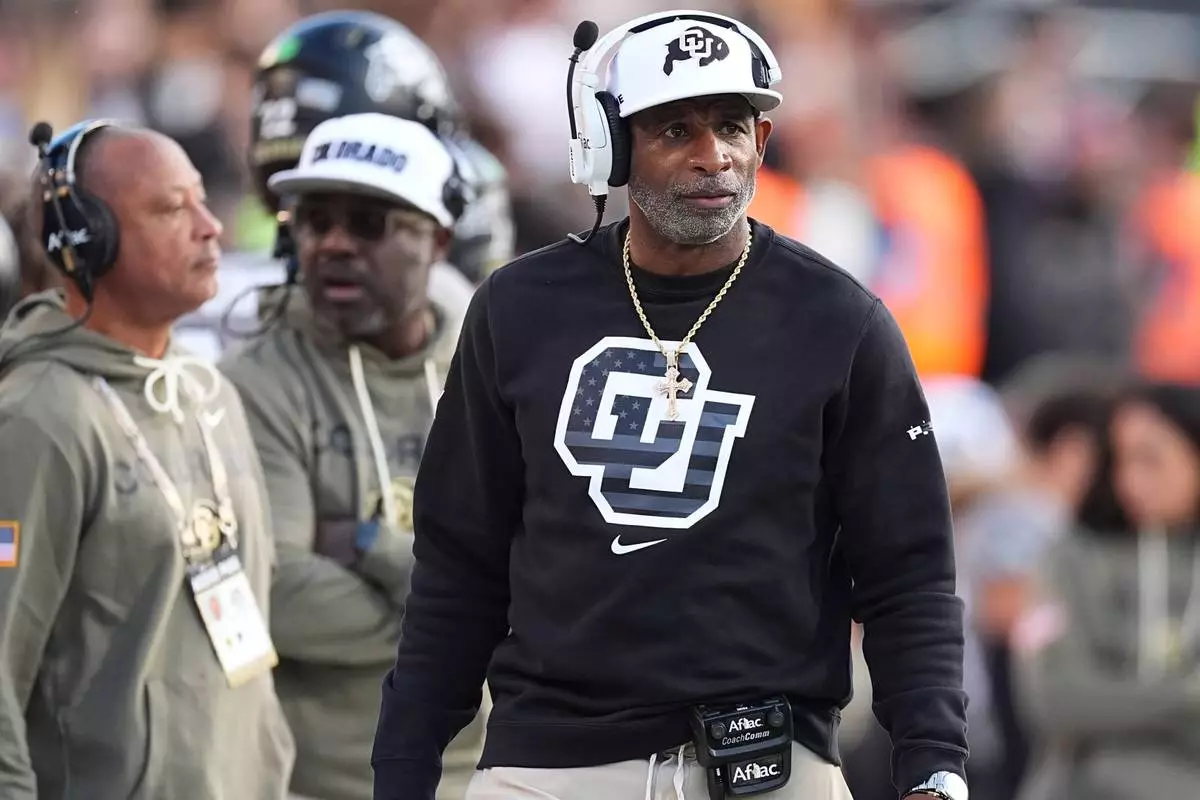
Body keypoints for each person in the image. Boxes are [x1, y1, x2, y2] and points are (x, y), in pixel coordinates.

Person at [372, 11, 968, 800]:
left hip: (769, 767)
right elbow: (459, 564)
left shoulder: (841, 322)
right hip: (550, 766)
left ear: (763, 139)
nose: (713, 154)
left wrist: (933, 764)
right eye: (676, 129)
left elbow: (908, 574)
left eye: (732, 126)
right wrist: (405, 765)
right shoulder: (518, 309)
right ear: (613, 147)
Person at [0, 121, 294, 799]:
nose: (210, 228)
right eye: (170, 209)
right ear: (89, 239)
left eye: (202, 200)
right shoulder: (38, 419)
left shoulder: (209, 391)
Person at [219, 112, 485, 800]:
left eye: (368, 223)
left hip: (488, 778)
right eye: (314, 221)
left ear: (438, 239)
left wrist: (371, 547)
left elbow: (550, 582)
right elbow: (272, 595)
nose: (334, 244)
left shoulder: (497, 366)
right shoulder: (256, 380)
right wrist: (472, 611)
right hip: (317, 784)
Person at [1012, 380, 1200, 800]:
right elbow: (1056, 699)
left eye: (1150, 459)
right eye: (1119, 460)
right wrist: (1187, 698)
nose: (1131, 481)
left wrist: (1117, 704)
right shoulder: (1070, 559)